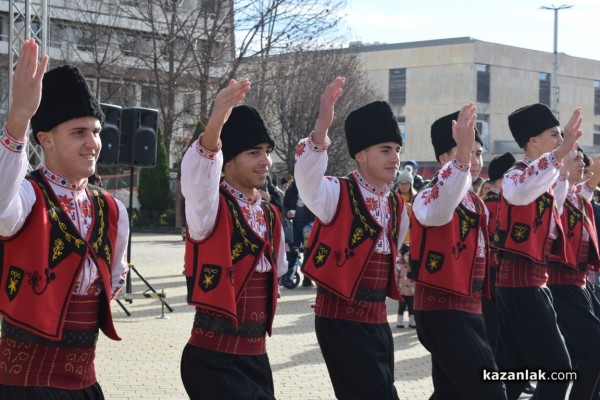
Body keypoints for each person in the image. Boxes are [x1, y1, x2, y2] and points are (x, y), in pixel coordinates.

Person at [0, 39, 130, 399]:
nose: (92, 143)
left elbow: (115, 276)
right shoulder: (27, 195)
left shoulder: (111, 209)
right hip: (26, 385)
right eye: (79, 132)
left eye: (96, 132)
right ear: (46, 140)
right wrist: (18, 121)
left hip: (84, 381)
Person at [295, 77, 408, 400]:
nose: (395, 158)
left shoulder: (397, 205)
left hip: (376, 319)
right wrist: (322, 128)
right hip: (340, 321)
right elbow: (307, 180)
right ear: (360, 155)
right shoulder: (336, 192)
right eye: (385, 150)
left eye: (397, 150)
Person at [180, 79, 287, 400]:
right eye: (253, 153)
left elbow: (277, 272)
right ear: (226, 163)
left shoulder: (270, 215)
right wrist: (216, 122)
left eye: (266, 152)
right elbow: (199, 175)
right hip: (215, 360)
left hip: (256, 356)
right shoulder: (209, 209)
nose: (265, 161)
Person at [408, 105, 506, 399]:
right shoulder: (428, 194)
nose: (473, 160)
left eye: (477, 153)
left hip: (470, 308)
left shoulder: (476, 203)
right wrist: (462, 159)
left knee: (450, 392)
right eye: (463, 151)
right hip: (443, 310)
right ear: (442, 158)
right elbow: (441, 208)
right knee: (490, 391)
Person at [494, 103, 582, 400]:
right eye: (554, 135)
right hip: (522, 286)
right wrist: (559, 155)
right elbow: (522, 189)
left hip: (532, 284)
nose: (560, 141)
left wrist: (564, 159)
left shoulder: (542, 180)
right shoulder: (515, 176)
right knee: (559, 370)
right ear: (533, 140)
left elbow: (554, 195)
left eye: (560, 135)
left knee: (513, 375)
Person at [546, 148, 600, 400]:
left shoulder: (578, 198)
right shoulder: (554, 192)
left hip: (580, 282)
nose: (584, 164)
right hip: (560, 282)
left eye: (585, 160)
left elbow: (589, 185)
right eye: (577, 158)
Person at [480, 152, 516, 354]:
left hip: (491, 270)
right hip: (496, 269)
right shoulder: (495, 203)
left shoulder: (489, 201)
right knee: (498, 323)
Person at [283, 179, 315, 287]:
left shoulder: (311, 190)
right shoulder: (290, 191)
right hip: (294, 225)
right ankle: (289, 275)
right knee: (293, 250)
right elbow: (284, 205)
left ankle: (307, 278)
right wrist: (287, 212)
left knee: (308, 250)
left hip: (309, 225)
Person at [396, 243, 415, 328]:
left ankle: (412, 321)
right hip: (402, 291)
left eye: (410, 255)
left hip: (412, 291)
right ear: (403, 255)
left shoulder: (414, 266)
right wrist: (396, 288)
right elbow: (395, 277)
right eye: (407, 255)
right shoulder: (399, 266)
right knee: (402, 306)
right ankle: (399, 321)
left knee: (411, 307)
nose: (409, 257)